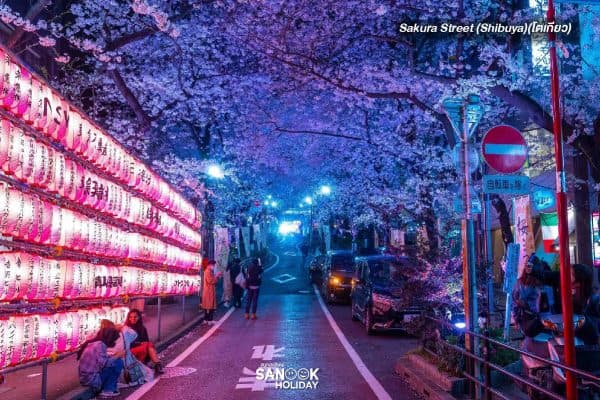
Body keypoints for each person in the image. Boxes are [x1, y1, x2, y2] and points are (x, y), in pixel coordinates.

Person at [77, 326, 124, 398]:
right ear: (110, 338)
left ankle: (110, 386)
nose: (114, 342)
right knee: (118, 362)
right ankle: (108, 390)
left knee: (114, 361)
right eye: (114, 339)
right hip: (91, 380)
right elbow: (105, 364)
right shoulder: (100, 345)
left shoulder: (95, 343)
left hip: (85, 378)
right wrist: (117, 355)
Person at [125, 309, 164, 375]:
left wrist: (142, 344)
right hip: (130, 351)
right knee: (148, 345)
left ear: (139, 317)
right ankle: (158, 365)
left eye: (135, 317)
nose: (133, 319)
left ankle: (157, 365)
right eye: (130, 317)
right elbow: (126, 344)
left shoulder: (142, 328)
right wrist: (139, 343)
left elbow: (146, 340)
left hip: (143, 348)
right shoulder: (126, 329)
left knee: (149, 345)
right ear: (128, 318)